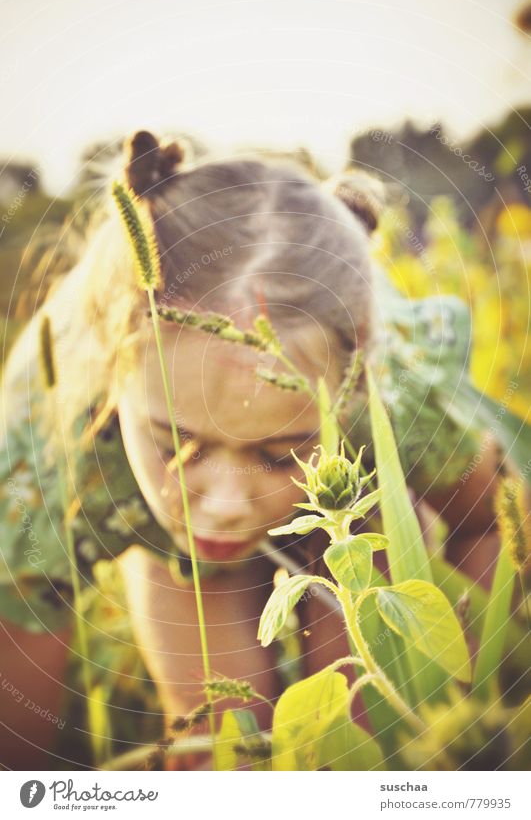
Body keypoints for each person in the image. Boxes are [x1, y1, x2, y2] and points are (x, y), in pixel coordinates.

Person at [0, 130, 513, 769]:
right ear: (114, 379)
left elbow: (485, 525)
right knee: (219, 736)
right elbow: (21, 679)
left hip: (350, 508)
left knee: (365, 702)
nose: (224, 504)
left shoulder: (395, 393)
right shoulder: (48, 438)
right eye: (175, 445)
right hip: (171, 543)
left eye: (279, 453)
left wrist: (469, 675)